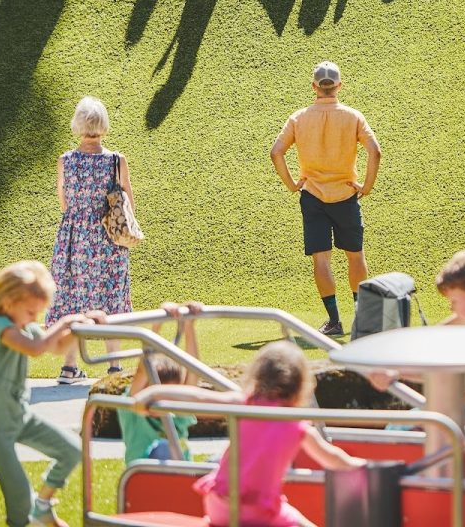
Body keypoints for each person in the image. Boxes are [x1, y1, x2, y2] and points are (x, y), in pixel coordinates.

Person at [133, 340, 366, 527]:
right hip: (256, 513)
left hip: (218, 505)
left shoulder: (242, 403)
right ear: (300, 385)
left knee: (288, 512)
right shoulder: (297, 426)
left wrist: (153, 392)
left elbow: (197, 396)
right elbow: (333, 459)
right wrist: (365, 466)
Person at [0, 261, 91, 527]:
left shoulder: (26, 327)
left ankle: (43, 506)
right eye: (32, 312)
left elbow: (56, 347)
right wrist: (66, 321)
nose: (36, 319)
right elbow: (36, 348)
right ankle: (25, 517)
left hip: (18, 415)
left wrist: (83, 328)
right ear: (10, 301)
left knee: (71, 450)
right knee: (20, 498)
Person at [270, 61, 381, 337]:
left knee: (321, 261)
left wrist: (292, 184)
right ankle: (360, 319)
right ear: (339, 86)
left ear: (314, 87)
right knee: (356, 256)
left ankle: (334, 321)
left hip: (313, 197)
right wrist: (366, 186)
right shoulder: (353, 116)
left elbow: (276, 152)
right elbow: (375, 151)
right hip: (346, 195)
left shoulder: (298, 118)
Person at [49, 96, 135, 383]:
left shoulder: (65, 161)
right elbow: (128, 206)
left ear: (78, 125)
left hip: (73, 238)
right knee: (112, 298)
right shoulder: (115, 161)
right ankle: (114, 367)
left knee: (74, 297)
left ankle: (69, 367)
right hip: (108, 239)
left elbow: (64, 203)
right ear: (103, 125)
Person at [120, 301, 204, 464]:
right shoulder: (134, 410)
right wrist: (156, 326)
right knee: (164, 448)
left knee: (218, 462)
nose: (166, 402)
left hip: (180, 480)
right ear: (146, 390)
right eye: (159, 395)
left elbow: (193, 369)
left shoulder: (178, 414)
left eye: (171, 395)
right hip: (146, 477)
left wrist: (189, 325)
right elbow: (144, 368)